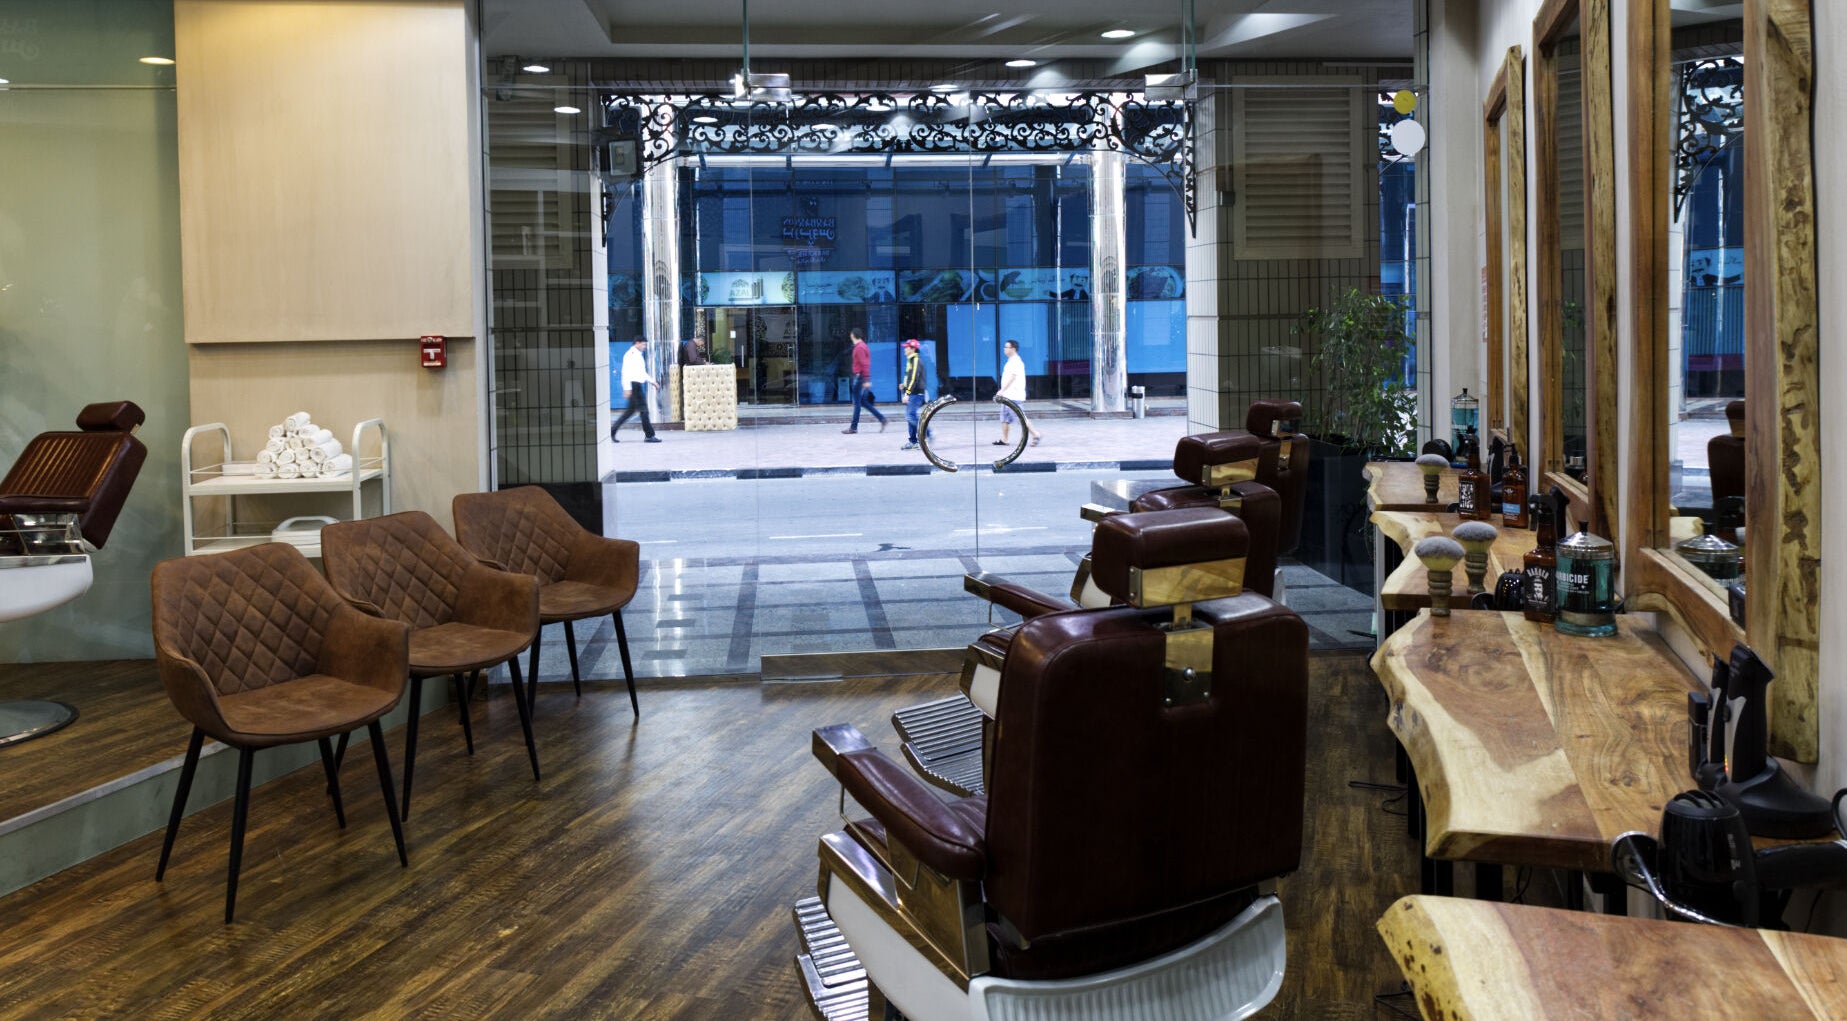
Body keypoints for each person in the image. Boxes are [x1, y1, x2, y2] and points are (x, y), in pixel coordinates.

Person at [612, 337, 661, 443]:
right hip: (634, 386)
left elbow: (641, 372)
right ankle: (649, 435)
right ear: (637, 343)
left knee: (630, 412)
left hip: (637, 385)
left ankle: (612, 430)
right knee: (644, 411)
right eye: (643, 344)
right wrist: (627, 388)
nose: (644, 347)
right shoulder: (630, 355)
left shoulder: (638, 355)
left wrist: (652, 382)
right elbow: (625, 373)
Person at [993, 339, 1041, 447]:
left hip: (1014, 396)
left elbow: (1012, 377)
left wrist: (1002, 390)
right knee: (1005, 418)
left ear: (1013, 349)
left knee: (1020, 418)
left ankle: (1036, 434)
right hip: (1007, 396)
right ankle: (1005, 439)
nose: (1004, 349)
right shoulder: (1011, 361)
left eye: (1006, 347)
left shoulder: (1016, 362)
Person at [841, 327, 886, 434]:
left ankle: (853, 427)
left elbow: (864, 364)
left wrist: (866, 379)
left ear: (852, 335)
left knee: (857, 403)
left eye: (851, 335)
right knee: (863, 402)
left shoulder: (860, 348)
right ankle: (882, 419)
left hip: (859, 377)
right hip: (862, 377)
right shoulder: (861, 346)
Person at [899, 338, 926, 451]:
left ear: (913, 349)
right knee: (910, 416)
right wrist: (904, 386)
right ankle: (913, 442)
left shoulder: (915, 360)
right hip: (913, 393)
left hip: (916, 394)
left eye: (907, 348)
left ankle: (925, 436)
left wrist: (907, 393)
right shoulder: (911, 360)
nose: (905, 349)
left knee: (910, 416)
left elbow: (914, 378)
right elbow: (910, 378)